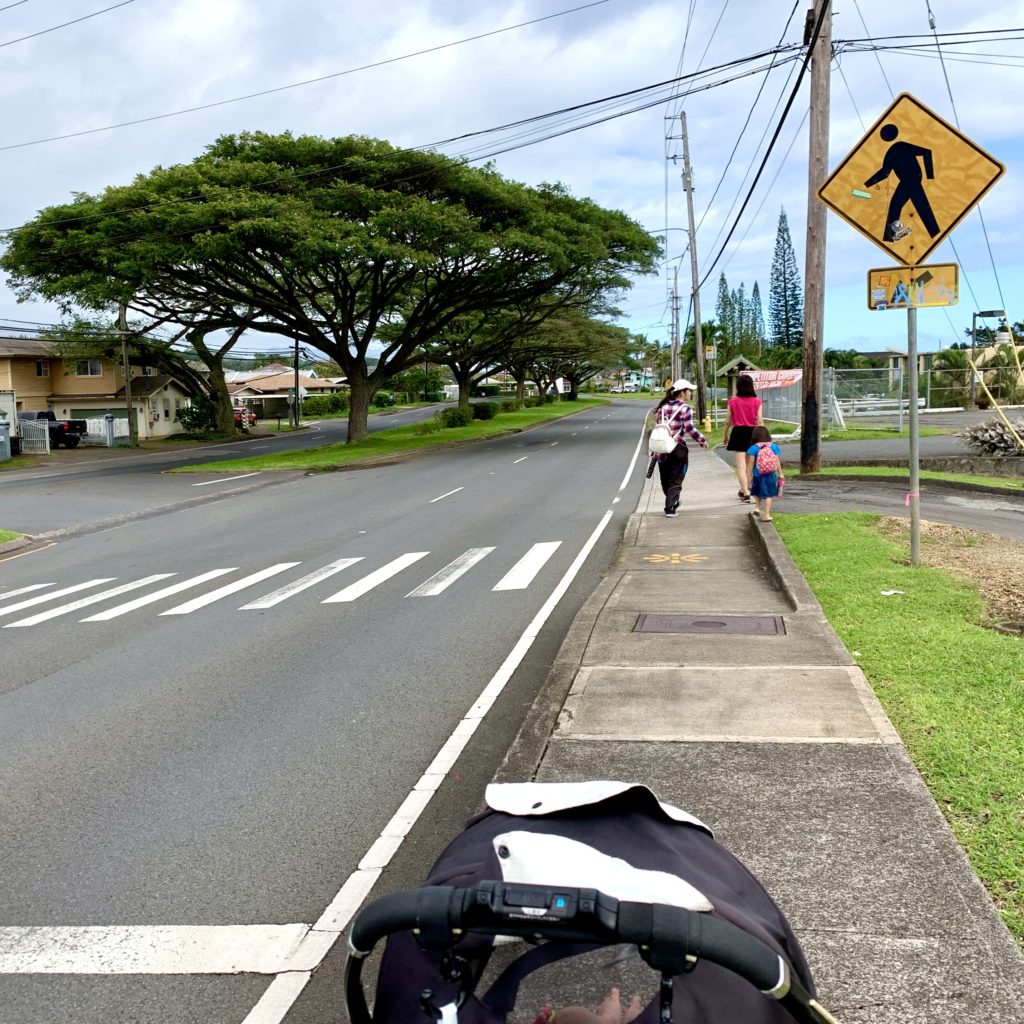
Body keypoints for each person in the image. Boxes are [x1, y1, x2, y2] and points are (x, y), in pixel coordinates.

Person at [650, 378, 708, 517]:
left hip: (661, 449)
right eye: (689, 391)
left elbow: (660, 429)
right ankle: (670, 507)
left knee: (665, 479)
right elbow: (689, 428)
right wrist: (702, 440)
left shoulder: (662, 408)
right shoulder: (685, 408)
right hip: (677, 448)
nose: (690, 393)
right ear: (682, 392)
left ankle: (672, 501)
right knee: (676, 478)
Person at [722, 373, 763, 502]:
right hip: (753, 433)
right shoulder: (757, 402)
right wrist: (763, 437)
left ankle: (745, 491)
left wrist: (725, 435)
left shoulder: (732, 402)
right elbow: (760, 421)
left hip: (738, 432)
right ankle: (744, 489)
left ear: (738, 386)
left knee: (741, 465)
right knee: (749, 463)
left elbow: (727, 421)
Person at [746, 425, 782, 522]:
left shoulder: (754, 448)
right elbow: (777, 461)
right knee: (769, 495)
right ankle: (766, 514)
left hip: (758, 475)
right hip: (771, 475)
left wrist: (748, 476)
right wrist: (780, 474)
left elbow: (750, 463)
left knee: (757, 491)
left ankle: (757, 507)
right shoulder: (773, 447)